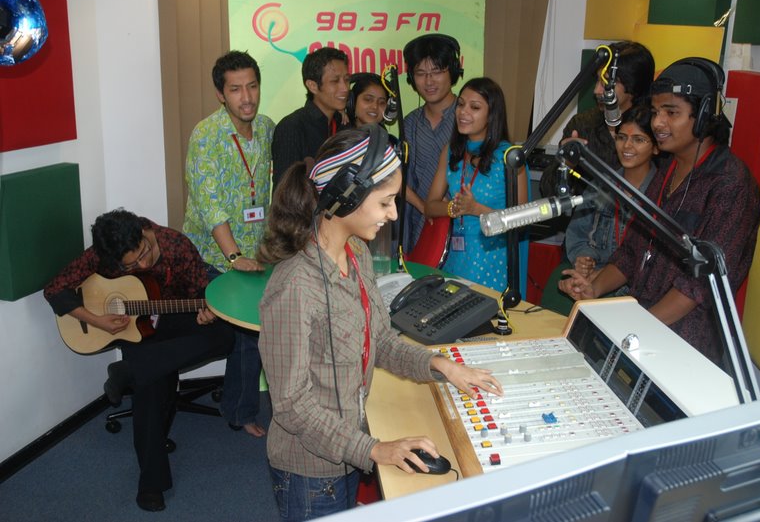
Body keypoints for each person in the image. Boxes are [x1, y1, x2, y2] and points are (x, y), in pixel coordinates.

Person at [257, 126, 503, 520]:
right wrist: (374, 449)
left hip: (348, 449)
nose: (393, 214)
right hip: (310, 473)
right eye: (386, 202)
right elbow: (292, 406)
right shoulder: (294, 286)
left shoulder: (356, 252)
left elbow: (381, 340)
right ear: (346, 196)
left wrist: (441, 365)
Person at [559, 58, 760, 366]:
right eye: (656, 112)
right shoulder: (667, 170)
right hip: (644, 333)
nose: (657, 123)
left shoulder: (731, 185)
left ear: (704, 115)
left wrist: (636, 329)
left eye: (671, 112)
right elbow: (633, 250)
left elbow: (697, 287)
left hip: (686, 349)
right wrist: (594, 287)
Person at [44, 209, 234, 512]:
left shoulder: (175, 245)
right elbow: (55, 289)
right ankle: (151, 484)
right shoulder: (105, 253)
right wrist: (97, 320)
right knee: (151, 385)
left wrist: (207, 311)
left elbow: (201, 292)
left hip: (174, 321)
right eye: (130, 265)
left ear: (144, 233)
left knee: (225, 335)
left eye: (143, 254)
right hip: (137, 331)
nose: (142, 265)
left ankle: (130, 369)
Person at [183, 50, 274, 438]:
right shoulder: (206, 136)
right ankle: (242, 411)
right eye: (236, 89)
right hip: (215, 254)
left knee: (252, 335)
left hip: (257, 253)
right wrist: (233, 256)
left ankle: (239, 407)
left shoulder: (267, 128)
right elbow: (210, 206)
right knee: (247, 336)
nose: (247, 97)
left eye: (252, 86)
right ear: (221, 94)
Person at [424, 77, 527, 293]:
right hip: (456, 256)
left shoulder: (509, 157)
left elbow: (521, 219)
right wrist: (454, 207)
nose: (463, 112)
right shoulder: (451, 151)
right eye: (461, 104)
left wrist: (476, 209)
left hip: (493, 259)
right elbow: (430, 206)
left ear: (492, 114)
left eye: (475, 107)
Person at [542, 41, 655, 198]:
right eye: (597, 80)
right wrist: (566, 163)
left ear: (633, 85)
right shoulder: (582, 125)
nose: (596, 90)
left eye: (606, 83)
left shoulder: (654, 128)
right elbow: (547, 191)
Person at [564, 104, 659, 280]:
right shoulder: (601, 184)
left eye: (638, 140)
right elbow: (577, 233)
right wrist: (584, 258)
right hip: (594, 275)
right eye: (621, 137)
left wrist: (601, 277)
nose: (627, 146)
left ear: (656, 147)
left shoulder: (662, 192)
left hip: (636, 284)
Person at [402, 33, 464, 252]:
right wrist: (424, 207)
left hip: (462, 227)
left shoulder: (468, 119)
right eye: (421, 73)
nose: (428, 81)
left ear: (453, 71)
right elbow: (397, 179)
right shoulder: (410, 123)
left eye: (437, 72)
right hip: (418, 230)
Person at [272, 47, 350, 186]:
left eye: (347, 80)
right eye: (335, 81)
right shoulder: (292, 127)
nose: (345, 88)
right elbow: (285, 192)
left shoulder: (344, 125)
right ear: (312, 86)